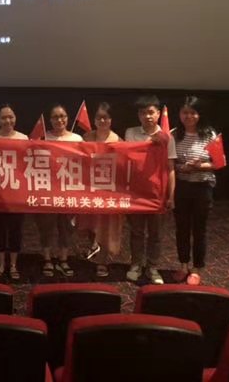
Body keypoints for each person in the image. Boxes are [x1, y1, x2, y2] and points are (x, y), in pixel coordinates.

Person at [124, 95, 176, 285]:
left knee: (155, 234)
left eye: (151, 112)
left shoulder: (167, 137)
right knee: (136, 232)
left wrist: (171, 196)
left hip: (157, 193)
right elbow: (127, 157)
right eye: (143, 112)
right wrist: (150, 143)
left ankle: (152, 267)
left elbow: (171, 168)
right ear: (138, 115)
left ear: (158, 114)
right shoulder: (130, 133)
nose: (147, 116)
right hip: (136, 192)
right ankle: (136, 265)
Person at [173, 96, 218, 285]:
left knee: (199, 229)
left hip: (202, 187)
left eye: (193, 112)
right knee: (182, 228)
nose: (189, 116)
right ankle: (183, 265)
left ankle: (197, 268)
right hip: (181, 187)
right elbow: (167, 163)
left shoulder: (210, 134)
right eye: (185, 112)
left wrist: (200, 166)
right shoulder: (174, 134)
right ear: (179, 114)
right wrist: (181, 168)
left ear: (199, 114)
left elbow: (218, 163)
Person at [37, 104, 83, 278]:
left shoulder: (77, 138)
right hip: (47, 190)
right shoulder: (43, 138)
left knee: (67, 228)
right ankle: (47, 259)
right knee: (46, 227)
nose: (59, 120)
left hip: (69, 191)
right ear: (50, 120)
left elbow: (85, 164)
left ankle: (63, 259)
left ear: (67, 118)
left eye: (62, 116)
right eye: (55, 117)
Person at [80, 102, 123, 278]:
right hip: (89, 189)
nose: (102, 120)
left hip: (108, 190)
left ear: (111, 119)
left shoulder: (118, 141)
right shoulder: (86, 137)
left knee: (105, 227)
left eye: (106, 117)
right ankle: (94, 249)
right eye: (99, 117)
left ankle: (103, 261)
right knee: (89, 225)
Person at [0, 105, 27, 280]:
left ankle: (13, 265)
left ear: (15, 118)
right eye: (4, 117)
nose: (7, 120)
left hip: (17, 194)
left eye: (11, 117)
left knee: (15, 229)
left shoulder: (23, 138)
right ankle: (1, 264)